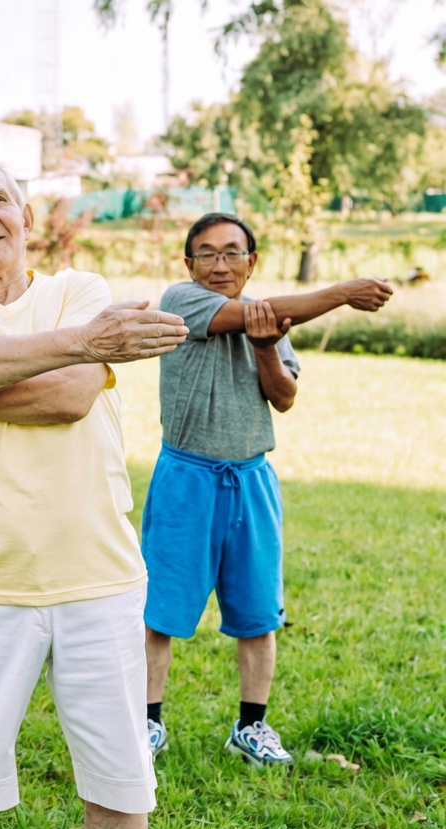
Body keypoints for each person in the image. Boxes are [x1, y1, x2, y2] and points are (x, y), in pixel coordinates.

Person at [0, 155, 189, 829]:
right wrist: (83, 344)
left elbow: (73, 394)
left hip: (99, 581)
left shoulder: (78, 290)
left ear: (26, 218)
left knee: (119, 793)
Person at [142, 212, 393, 767]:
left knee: (258, 613)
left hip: (251, 480)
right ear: (189, 264)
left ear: (252, 262)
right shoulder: (181, 300)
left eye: (233, 253)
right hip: (185, 477)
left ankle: (251, 727)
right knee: (159, 609)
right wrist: (346, 291)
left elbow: (283, 397)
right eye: (207, 253)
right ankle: (148, 723)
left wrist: (265, 347)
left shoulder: (271, 325)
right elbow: (266, 311)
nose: (220, 264)